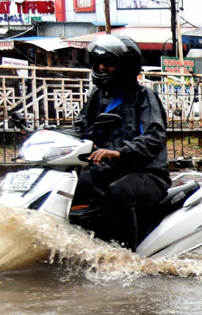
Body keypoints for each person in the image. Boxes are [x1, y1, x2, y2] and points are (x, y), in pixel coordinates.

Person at [72, 34, 170, 250]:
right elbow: (79, 127)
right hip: (109, 171)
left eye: (109, 64)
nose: (102, 67)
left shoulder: (144, 97)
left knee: (119, 191)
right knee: (73, 185)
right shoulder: (98, 97)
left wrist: (120, 153)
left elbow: (154, 136)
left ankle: (127, 255)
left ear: (124, 68)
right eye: (100, 63)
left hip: (148, 175)